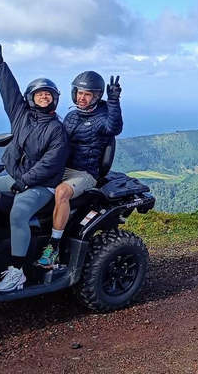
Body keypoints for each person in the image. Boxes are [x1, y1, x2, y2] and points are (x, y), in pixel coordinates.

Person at [0, 44, 69, 292]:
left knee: (19, 213)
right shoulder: (20, 115)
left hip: (43, 184)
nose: (44, 96)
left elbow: (50, 164)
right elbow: (9, 93)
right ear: (31, 98)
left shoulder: (57, 130)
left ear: (54, 99)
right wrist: (0, 66)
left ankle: (17, 271)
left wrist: (25, 182)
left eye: (48, 94)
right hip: (14, 175)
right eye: (39, 94)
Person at [37, 71, 123, 268]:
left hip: (85, 173)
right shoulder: (71, 116)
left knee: (62, 192)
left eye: (87, 94)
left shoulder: (102, 118)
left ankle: (53, 247)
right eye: (79, 93)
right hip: (63, 168)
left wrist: (114, 101)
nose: (81, 97)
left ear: (96, 96)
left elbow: (115, 127)